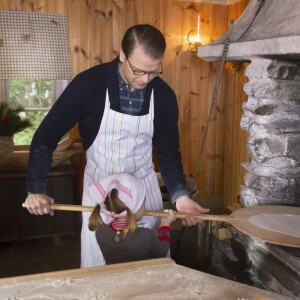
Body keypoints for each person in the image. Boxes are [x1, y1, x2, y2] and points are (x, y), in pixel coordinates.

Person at [23, 23, 209, 268]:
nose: (145, 79)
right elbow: (45, 137)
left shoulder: (163, 96)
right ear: (123, 54)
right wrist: (36, 187)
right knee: (101, 268)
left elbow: (168, 153)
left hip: (143, 195)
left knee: (150, 268)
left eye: (153, 72)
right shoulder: (88, 85)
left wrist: (179, 196)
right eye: (139, 71)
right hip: (100, 196)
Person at [88, 173, 176, 264]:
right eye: (143, 202)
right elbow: (161, 253)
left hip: (115, 277)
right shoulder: (146, 235)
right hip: (143, 278)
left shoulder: (100, 233)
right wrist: (165, 224)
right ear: (135, 207)